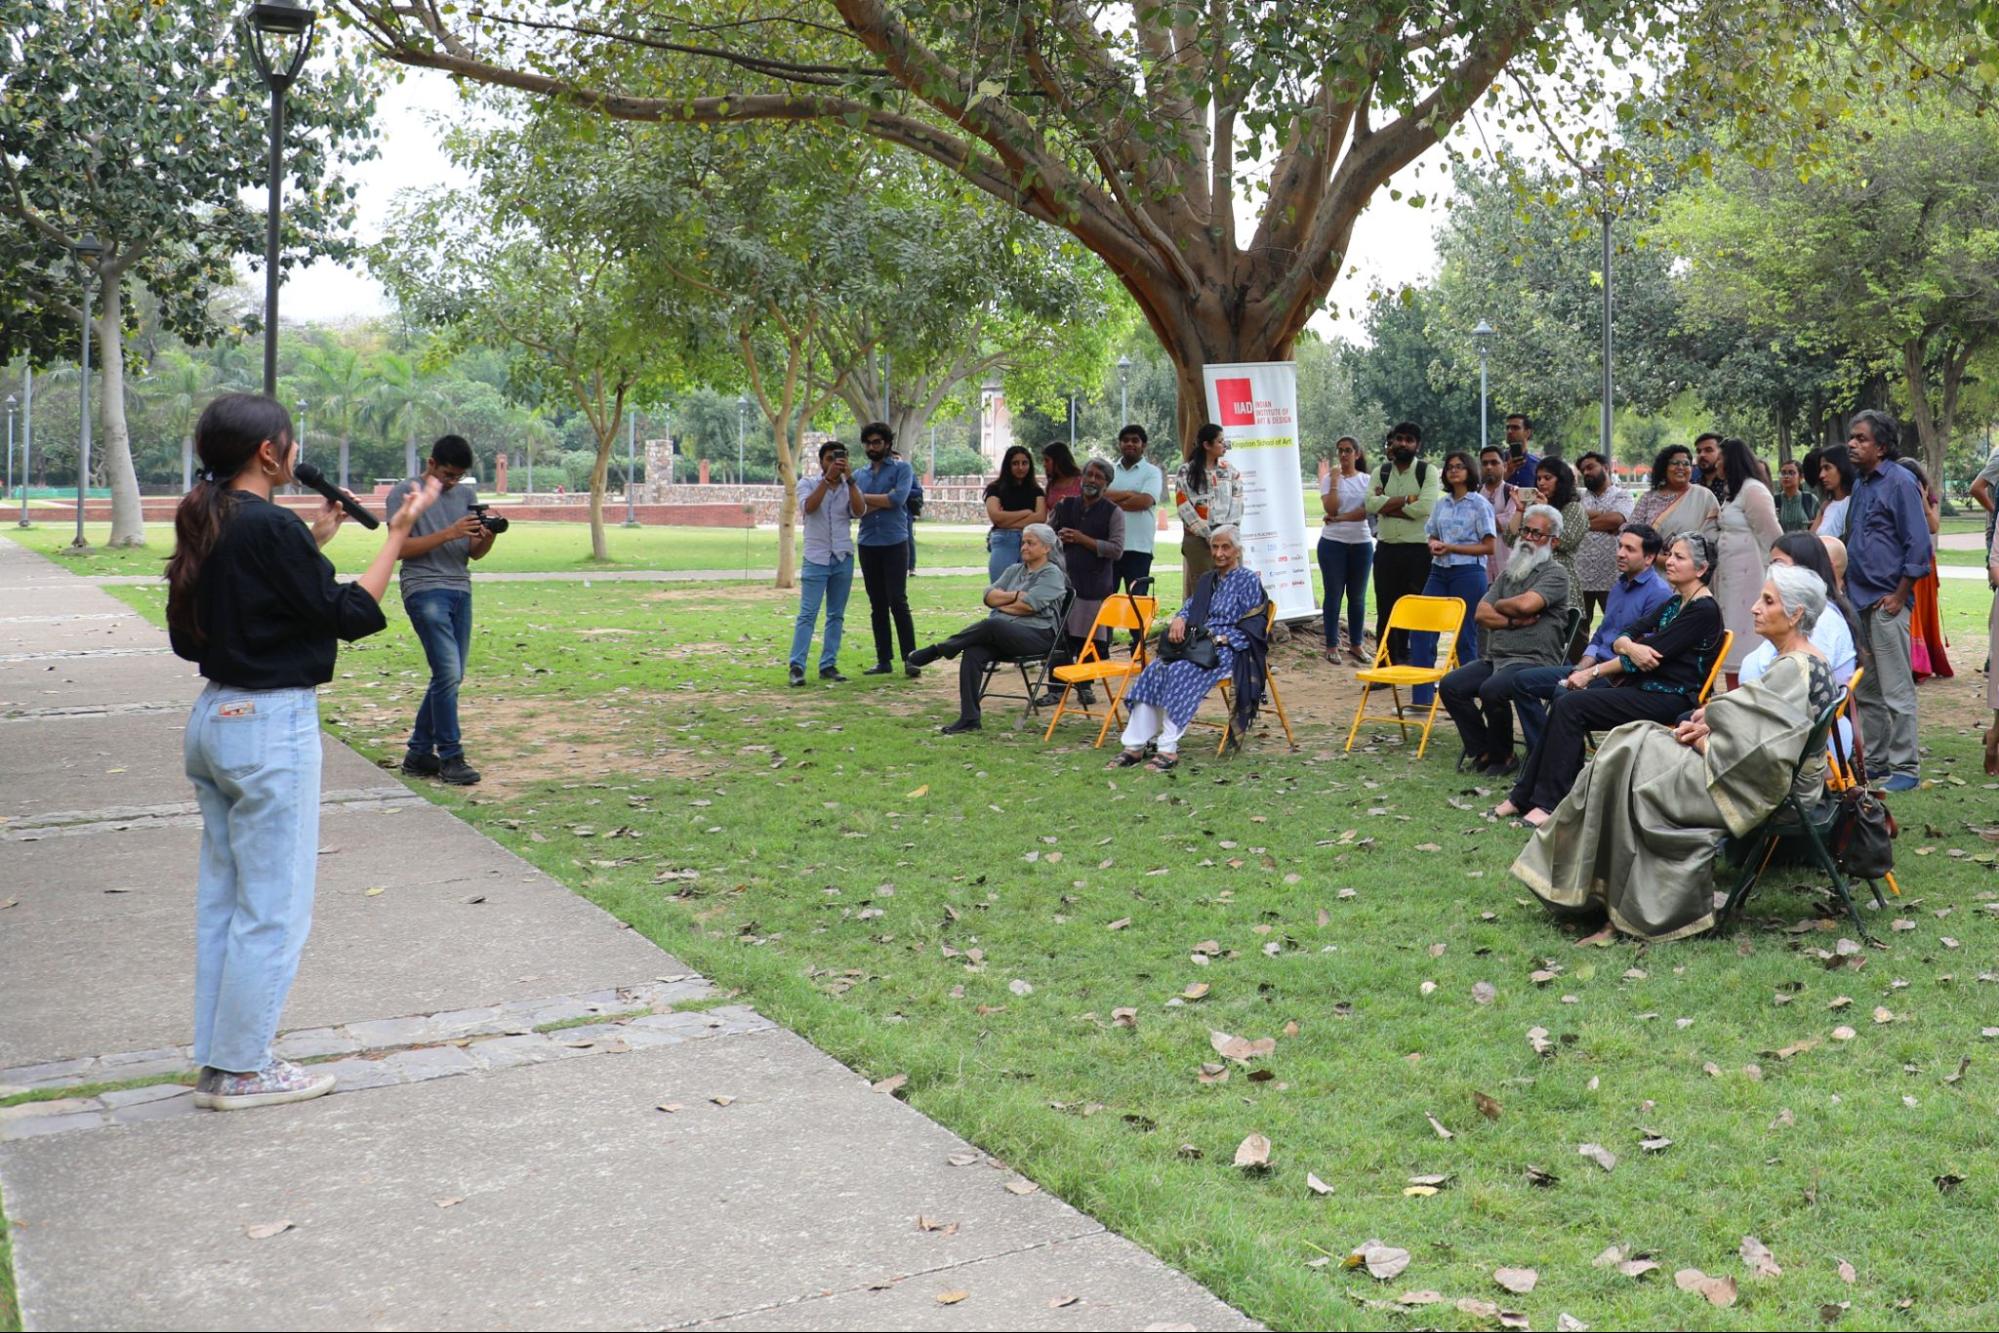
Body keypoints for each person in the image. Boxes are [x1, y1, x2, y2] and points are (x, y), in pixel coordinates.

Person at [166, 393, 441, 1110]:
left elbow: (211, 620)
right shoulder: (267, 527)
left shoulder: (210, 516)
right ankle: (244, 1066)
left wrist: (310, 547)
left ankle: (221, 1059)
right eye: (291, 443)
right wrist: (395, 536)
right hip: (267, 726)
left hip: (214, 719)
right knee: (275, 904)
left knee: (227, 901)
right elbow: (349, 616)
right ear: (270, 453)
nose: (296, 452)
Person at [1512, 565, 1838, 943]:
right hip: (1748, 776)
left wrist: (1702, 738)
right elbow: (1760, 730)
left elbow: (1762, 754)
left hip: (1756, 790)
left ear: (1796, 614)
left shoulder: (1795, 668)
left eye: (1767, 601)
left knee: (1632, 768)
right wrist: (1708, 724)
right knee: (1629, 745)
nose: (1754, 608)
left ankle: (1622, 906)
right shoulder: (1804, 661)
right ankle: (1605, 897)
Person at [1497, 534, 1726, 826]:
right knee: (1565, 700)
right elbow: (1626, 637)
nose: (1669, 561)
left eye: (1680, 557)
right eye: (1670, 555)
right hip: (1642, 688)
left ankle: (1549, 803)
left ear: (1701, 569)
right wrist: (1630, 645)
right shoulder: (1675, 603)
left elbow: (1649, 657)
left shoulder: (1703, 610)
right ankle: (1523, 796)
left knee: (1571, 706)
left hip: (1670, 698)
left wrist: (1596, 669)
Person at [1107, 525, 1265, 772]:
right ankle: (1135, 746)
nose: (1220, 553)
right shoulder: (1208, 579)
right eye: (1215, 547)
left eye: (1226, 547)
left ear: (1237, 551)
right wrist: (1180, 618)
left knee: (1180, 672)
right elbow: (1190, 606)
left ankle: (1168, 749)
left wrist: (1222, 638)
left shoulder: (1248, 581)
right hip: (1197, 645)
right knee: (1156, 670)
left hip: (1227, 649)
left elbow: (1254, 625)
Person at [390, 434, 499, 786]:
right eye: (447, 474)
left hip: (459, 588)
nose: (452, 483)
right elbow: (399, 547)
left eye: (458, 476)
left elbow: (474, 552)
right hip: (424, 588)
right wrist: (449, 532)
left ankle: (419, 754)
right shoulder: (405, 493)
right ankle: (451, 756)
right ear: (431, 463)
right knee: (448, 674)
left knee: (449, 676)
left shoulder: (466, 495)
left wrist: (489, 533)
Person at [1512, 523, 1672, 755]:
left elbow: (1641, 654)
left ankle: (1558, 759)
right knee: (1521, 682)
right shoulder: (1620, 585)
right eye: (1620, 546)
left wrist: (1590, 674)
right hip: (1594, 667)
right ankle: (1546, 753)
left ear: (1648, 559)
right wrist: (1581, 667)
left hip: (1618, 676)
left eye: (1629, 549)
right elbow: (1600, 636)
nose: (1620, 553)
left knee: (1564, 695)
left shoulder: (1658, 593)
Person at [1440, 504, 1571, 776]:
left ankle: (1504, 756)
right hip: (1496, 657)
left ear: (1553, 542)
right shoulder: (1508, 572)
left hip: (1533, 660)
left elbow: (1527, 605)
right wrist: (1512, 619)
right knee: (1450, 685)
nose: (1527, 538)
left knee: (1492, 689)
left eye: (1537, 534)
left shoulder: (1555, 574)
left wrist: (1499, 605)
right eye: (1525, 531)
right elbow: (1480, 613)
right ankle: (1484, 749)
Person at [906, 523, 1068, 734]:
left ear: (1046, 548)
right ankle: (970, 718)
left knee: (993, 623)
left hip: (1039, 634)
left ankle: (941, 649)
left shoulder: (1052, 574)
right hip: (1007, 633)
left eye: (1031, 543)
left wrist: (1005, 603)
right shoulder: (1014, 570)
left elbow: (1030, 606)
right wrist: (1015, 597)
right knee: (973, 652)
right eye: (1023, 542)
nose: (1024, 547)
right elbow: (988, 596)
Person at [1843, 410, 1932, 790]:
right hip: (1859, 598)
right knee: (1867, 689)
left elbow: (1919, 544)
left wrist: (1899, 595)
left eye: (1861, 439)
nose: (1852, 444)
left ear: (1881, 447)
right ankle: (1876, 762)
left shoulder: (1900, 481)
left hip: (1886, 600)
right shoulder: (1861, 483)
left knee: (1896, 688)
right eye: (1852, 437)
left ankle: (1906, 768)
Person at [1410, 450, 1495, 706]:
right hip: (1439, 570)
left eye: (1459, 466)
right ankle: (1422, 698)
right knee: (1422, 629)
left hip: (1468, 571)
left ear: (1469, 471)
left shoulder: (1479, 504)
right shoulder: (1442, 503)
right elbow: (1431, 534)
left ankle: (1465, 697)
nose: (1454, 471)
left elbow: (1489, 546)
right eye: (1449, 467)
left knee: (1465, 636)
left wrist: (1453, 548)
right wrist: (1434, 545)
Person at [1045, 457, 1126, 705]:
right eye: (1089, 474)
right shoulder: (1065, 506)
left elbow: (1116, 549)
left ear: (1107, 483)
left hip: (1094, 585)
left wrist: (1082, 539)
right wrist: (1059, 538)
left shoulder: (1114, 512)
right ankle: (1055, 689)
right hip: (1063, 584)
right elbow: (1045, 537)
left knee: (1088, 639)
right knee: (1059, 637)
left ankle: (1085, 687)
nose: (1092, 480)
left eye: (1098, 477)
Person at [1365, 422, 1439, 677]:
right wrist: (1408, 499)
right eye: (1399, 439)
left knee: (1418, 610)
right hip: (1387, 550)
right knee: (1386, 610)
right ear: (1392, 442)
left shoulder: (1427, 472)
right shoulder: (1381, 471)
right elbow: (1370, 504)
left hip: (1418, 552)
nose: (1403, 444)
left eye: (1409, 440)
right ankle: (1385, 669)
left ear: (1417, 445)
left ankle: (1419, 668)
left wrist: (1388, 505)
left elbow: (1425, 508)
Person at [789, 439, 862, 687]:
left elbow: (860, 510)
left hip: (842, 556)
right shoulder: (807, 483)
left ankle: (828, 664)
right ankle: (797, 666)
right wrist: (827, 480)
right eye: (830, 458)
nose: (835, 462)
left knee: (836, 616)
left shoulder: (848, 485)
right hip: (816, 558)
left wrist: (849, 480)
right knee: (808, 614)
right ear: (821, 462)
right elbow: (808, 507)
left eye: (839, 458)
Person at [1711, 437, 1782, 676]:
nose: (1715, 463)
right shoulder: (1733, 492)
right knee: (1731, 635)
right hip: (1730, 577)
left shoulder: (1753, 490)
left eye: (1720, 458)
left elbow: (1772, 537)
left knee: (1748, 636)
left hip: (1751, 577)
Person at [854, 423, 920, 677]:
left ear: (887, 444)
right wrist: (880, 500)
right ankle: (884, 660)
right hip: (868, 543)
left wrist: (864, 497)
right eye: (868, 443)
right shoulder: (860, 474)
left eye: (877, 442)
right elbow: (855, 510)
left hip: (895, 542)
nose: (872, 447)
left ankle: (911, 659)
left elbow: (898, 499)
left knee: (898, 601)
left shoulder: (903, 468)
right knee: (877, 603)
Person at [1573, 451, 1635, 657]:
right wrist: (1602, 517)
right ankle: (1576, 673)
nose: (1586, 473)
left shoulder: (1622, 495)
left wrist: (1583, 523)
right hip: (1580, 575)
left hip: (1611, 575)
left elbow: (1616, 520)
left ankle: (1609, 672)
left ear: (1606, 468)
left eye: (1591, 467)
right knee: (1577, 631)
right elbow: (1570, 522)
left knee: (1615, 627)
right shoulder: (1578, 497)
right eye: (1583, 470)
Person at [1318, 436, 1374, 663]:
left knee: (1357, 597)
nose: (1343, 455)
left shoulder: (1367, 481)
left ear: (1357, 454)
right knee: (1333, 593)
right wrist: (1333, 481)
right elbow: (1330, 507)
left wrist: (1338, 518)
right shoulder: (1330, 480)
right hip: (1333, 543)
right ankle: (1332, 645)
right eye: (1340, 450)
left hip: (1360, 543)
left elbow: (1366, 511)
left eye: (1348, 450)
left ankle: (1356, 644)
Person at [1897, 457, 1953, 681]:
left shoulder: (1929, 498)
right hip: (1904, 561)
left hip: (1925, 563)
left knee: (1923, 611)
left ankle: (1924, 660)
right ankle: (1912, 663)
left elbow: (1933, 526)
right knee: (1911, 613)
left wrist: (1921, 499)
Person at [1175, 423, 1243, 597]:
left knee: (1232, 586)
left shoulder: (1230, 471)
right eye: (1220, 442)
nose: (1224, 445)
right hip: (1199, 541)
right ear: (1207, 445)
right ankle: (1203, 624)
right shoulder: (1186, 471)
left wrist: (1225, 533)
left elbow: (1237, 501)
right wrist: (1208, 535)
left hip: (1228, 538)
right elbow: (1184, 506)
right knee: (1203, 587)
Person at [1506, 457, 1587, 593]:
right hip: (1528, 580)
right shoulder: (1533, 507)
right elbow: (1510, 539)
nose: (1541, 483)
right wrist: (1520, 510)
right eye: (1538, 478)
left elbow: (1566, 541)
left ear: (1561, 480)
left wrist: (1546, 510)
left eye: (1547, 478)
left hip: (1558, 580)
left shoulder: (1574, 508)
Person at [1104, 424, 1164, 600]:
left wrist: (1112, 499)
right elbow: (1098, 498)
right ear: (1119, 444)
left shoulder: (1152, 472)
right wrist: (1130, 494)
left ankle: (1137, 630)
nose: (1130, 444)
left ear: (1143, 445)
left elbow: (1145, 501)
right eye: (1125, 440)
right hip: (1110, 547)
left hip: (1139, 548)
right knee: (1107, 601)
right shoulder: (1108, 471)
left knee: (1137, 602)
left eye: (1135, 440)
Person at [1630, 443, 1721, 559]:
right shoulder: (1649, 498)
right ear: (1664, 467)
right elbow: (1630, 535)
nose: (1681, 467)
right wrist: (1656, 558)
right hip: (1651, 569)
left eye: (1686, 464)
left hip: (1690, 570)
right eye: (1675, 463)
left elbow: (1713, 537)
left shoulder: (1704, 496)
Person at [984, 445, 1047, 582]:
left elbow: (1040, 518)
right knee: (1001, 591)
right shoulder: (995, 489)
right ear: (1008, 465)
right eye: (1015, 463)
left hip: (1031, 542)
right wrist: (1026, 513)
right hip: (1004, 541)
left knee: (1027, 594)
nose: (1020, 467)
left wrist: (1006, 520)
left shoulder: (1037, 491)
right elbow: (996, 517)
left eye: (1024, 463)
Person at [1478, 445, 1520, 586]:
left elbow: (1510, 523)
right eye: (1485, 463)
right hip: (1480, 569)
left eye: (1494, 463)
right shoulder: (1473, 495)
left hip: (1508, 567)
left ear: (1505, 465)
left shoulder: (1513, 492)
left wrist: (1479, 522)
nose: (1489, 467)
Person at [1812, 445, 1857, 540]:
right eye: (1821, 469)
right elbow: (1811, 540)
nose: (1822, 475)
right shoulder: (1826, 505)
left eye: (1827, 468)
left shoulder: (1853, 503)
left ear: (1842, 467)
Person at [1777, 459, 1820, 532]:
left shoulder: (1810, 500)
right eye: (1783, 473)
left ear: (1801, 477)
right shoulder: (1774, 501)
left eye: (1791, 473)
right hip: (1780, 543)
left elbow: (1820, 525)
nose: (1786, 476)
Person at [1502, 414, 1541, 489]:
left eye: (1515, 428)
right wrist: (1507, 473)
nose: (1509, 431)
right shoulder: (1496, 462)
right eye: (1507, 428)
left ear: (1528, 432)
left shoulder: (1537, 465)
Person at [1043, 441, 1085, 509]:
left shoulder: (1081, 481)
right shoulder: (1051, 484)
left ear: (1059, 460)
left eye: (1047, 460)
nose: (1044, 464)